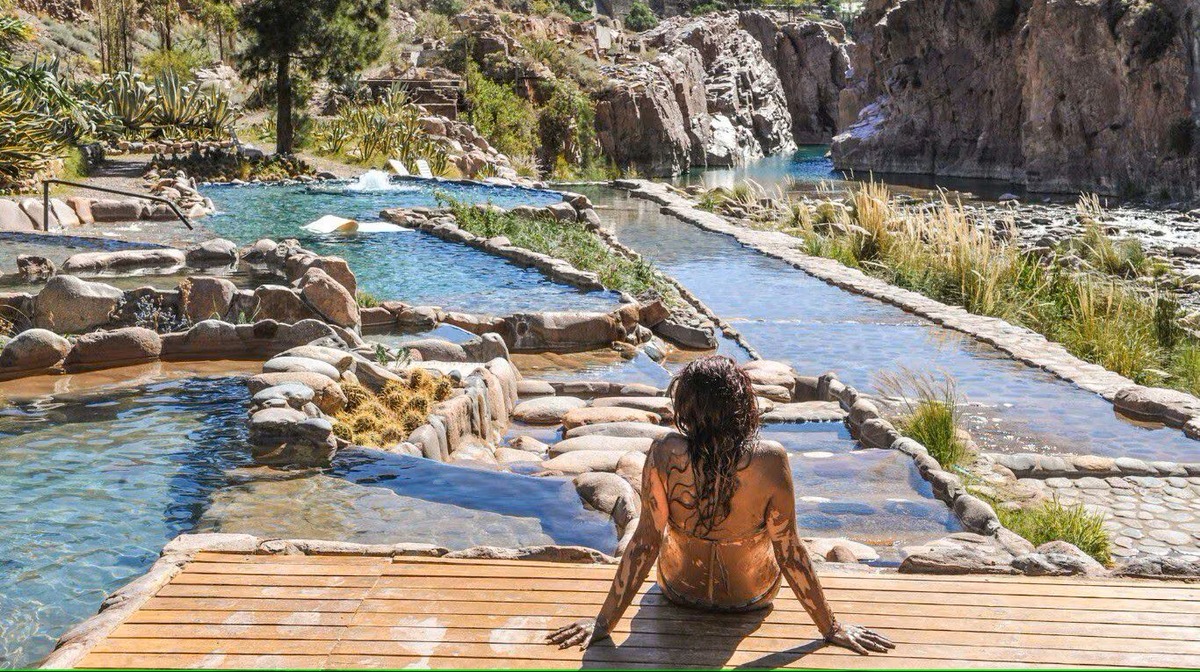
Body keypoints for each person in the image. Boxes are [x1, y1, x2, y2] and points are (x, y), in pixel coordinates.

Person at [547, 356, 894, 655]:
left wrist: (603, 622)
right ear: (742, 406)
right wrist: (830, 628)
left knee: (666, 535)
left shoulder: (666, 452)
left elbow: (645, 541)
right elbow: (789, 549)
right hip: (751, 598)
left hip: (680, 591)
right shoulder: (769, 458)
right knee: (769, 540)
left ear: (686, 407)